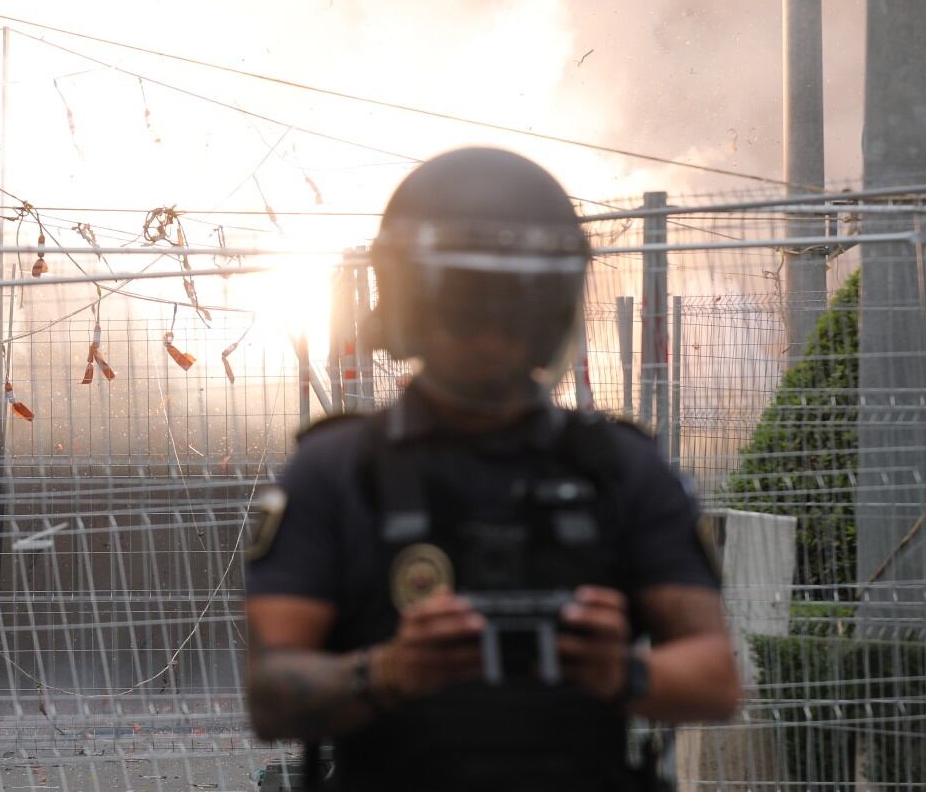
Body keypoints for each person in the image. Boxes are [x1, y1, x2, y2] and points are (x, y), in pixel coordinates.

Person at [244, 147, 740, 791]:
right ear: (412, 305)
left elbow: (715, 679)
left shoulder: (619, 469)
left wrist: (620, 671)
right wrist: (391, 672)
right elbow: (270, 692)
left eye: (517, 303)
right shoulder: (336, 470)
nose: (490, 330)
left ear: (551, 309)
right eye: (466, 303)